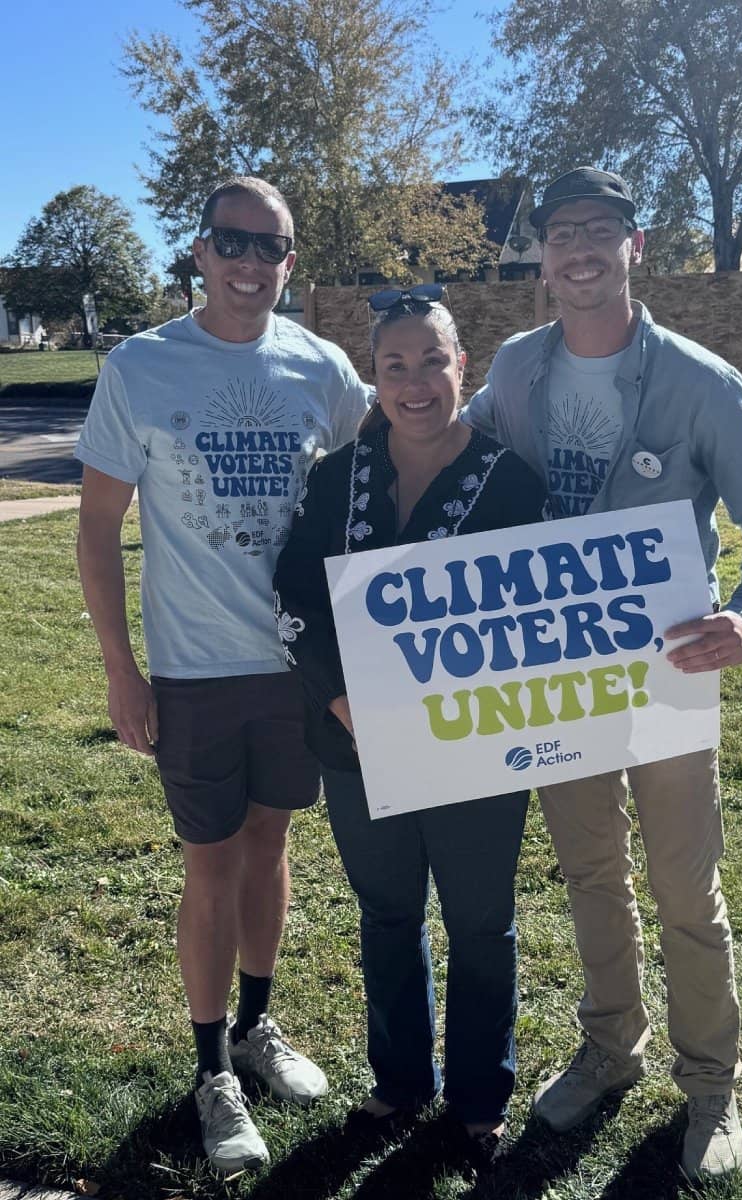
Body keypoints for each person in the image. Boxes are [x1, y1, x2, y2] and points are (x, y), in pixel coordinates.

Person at [462, 166, 742, 1180]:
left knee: (682, 889)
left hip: (662, 674)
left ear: (633, 245)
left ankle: (711, 1087)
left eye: (597, 230)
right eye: (560, 231)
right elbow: (452, 447)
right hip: (556, 677)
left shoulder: (699, 379)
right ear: (540, 253)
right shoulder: (516, 368)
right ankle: (610, 1049)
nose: (576, 248)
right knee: (588, 877)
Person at [75, 176, 369, 1175]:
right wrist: (123, 672)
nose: (250, 261)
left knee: (270, 842)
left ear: (292, 263)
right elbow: (95, 528)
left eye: (271, 247)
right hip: (194, 672)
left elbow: (391, 467)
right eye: (231, 241)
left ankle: (256, 1026)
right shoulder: (142, 365)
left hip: (296, 667)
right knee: (211, 865)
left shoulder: (320, 367)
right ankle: (211, 1075)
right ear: (199, 252)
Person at [272, 288, 550, 1168]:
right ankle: (398, 1083)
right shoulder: (336, 478)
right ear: (374, 378)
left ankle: (478, 1097)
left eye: (433, 361)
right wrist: (342, 701)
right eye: (395, 366)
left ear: (462, 367)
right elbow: (295, 601)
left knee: (479, 922)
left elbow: (542, 618)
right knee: (387, 913)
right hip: (356, 744)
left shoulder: (512, 482)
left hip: (475, 749)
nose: (416, 382)